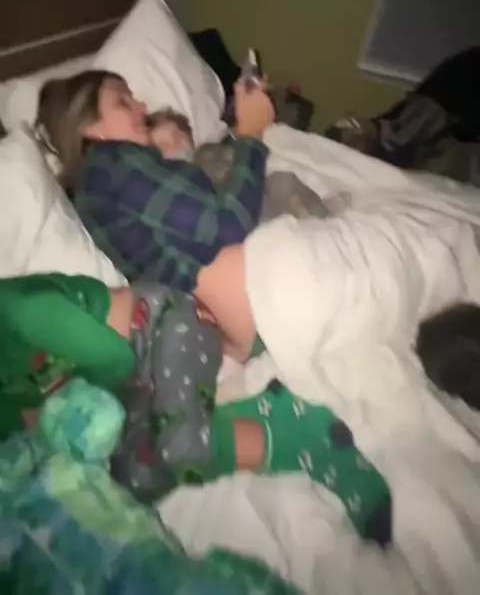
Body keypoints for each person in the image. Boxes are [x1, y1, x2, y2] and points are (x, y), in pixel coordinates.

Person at [0, 271, 392, 546]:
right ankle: (264, 415)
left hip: (160, 325)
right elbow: (32, 435)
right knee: (134, 479)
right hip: (128, 389)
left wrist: (86, 412)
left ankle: (310, 434)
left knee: (179, 445)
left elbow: (114, 358)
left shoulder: (19, 310)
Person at [37, 71, 274, 296]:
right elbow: (229, 228)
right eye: (123, 102)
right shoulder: (111, 162)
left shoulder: (98, 181)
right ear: (89, 127)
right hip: (235, 287)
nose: (142, 107)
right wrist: (251, 135)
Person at [147, 107, 333, 221]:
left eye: (179, 136)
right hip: (239, 214)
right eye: (164, 145)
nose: (176, 144)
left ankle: (324, 214)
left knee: (283, 181)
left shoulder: (204, 154)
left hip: (252, 189)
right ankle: (304, 218)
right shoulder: (170, 190)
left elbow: (239, 158)